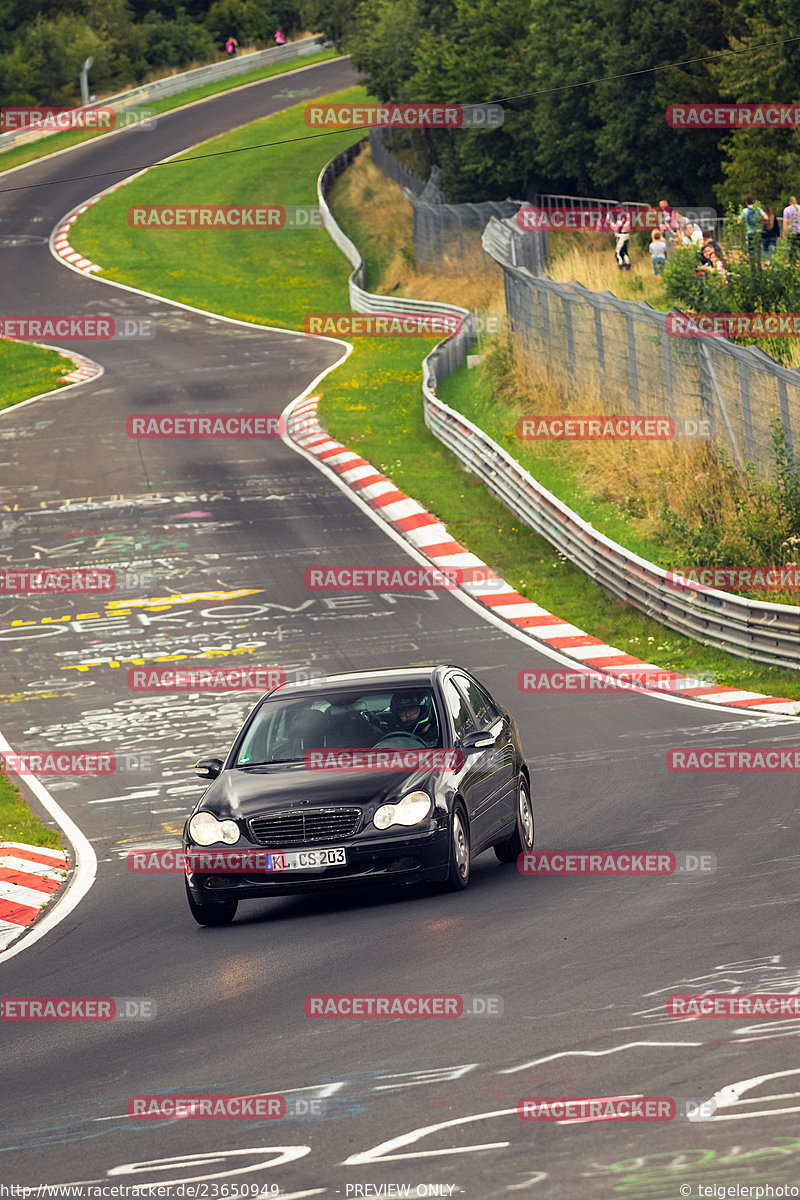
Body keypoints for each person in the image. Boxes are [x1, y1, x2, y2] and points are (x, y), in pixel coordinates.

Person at [738, 194, 764, 260]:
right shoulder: (758, 209)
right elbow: (766, 217)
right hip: (758, 232)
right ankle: (759, 266)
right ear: (753, 201)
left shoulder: (745, 211)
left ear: (746, 202)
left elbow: (739, 221)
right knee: (758, 250)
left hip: (750, 232)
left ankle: (752, 266)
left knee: (751, 250)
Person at [783, 194, 800, 261]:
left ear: (790, 202)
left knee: (792, 250)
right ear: (796, 201)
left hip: (791, 232)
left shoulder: (786, 209)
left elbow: (785, 222)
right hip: (799, 231)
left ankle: (792, 263)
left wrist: (785, 232)